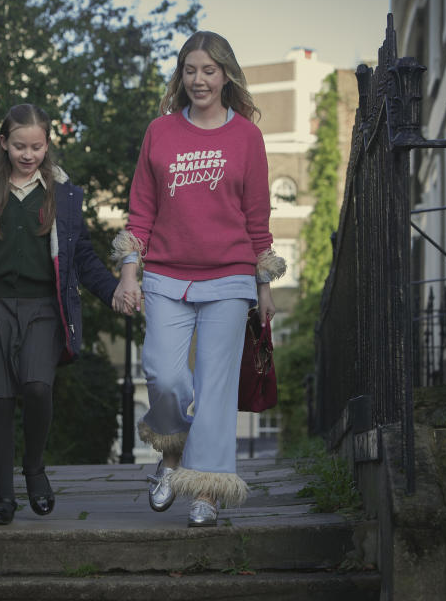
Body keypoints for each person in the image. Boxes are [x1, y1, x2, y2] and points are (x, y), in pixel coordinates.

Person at [0, 103, 134, 525]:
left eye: (36, 146)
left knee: (37, 387)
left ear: (48, 144)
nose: (28, 154)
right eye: (19, 146)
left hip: (42, 308)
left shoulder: (63, 193)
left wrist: (112, 291)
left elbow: (82, 255)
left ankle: (34, 468)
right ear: (3, 144)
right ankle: (3, 498)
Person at [113, 31, 286, 527]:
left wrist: (264, 286)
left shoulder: (247, 137)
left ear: (226, 74)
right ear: (180, 75)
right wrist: (130, 274)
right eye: (190, 70)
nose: (199, 80)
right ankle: (171, 458)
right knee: (164, 376)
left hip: (230, 278)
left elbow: (257, 217)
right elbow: (140, 210)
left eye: (209, 70)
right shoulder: (161, 131)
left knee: (215, 387)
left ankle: (206, 489)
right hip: (166, 276)